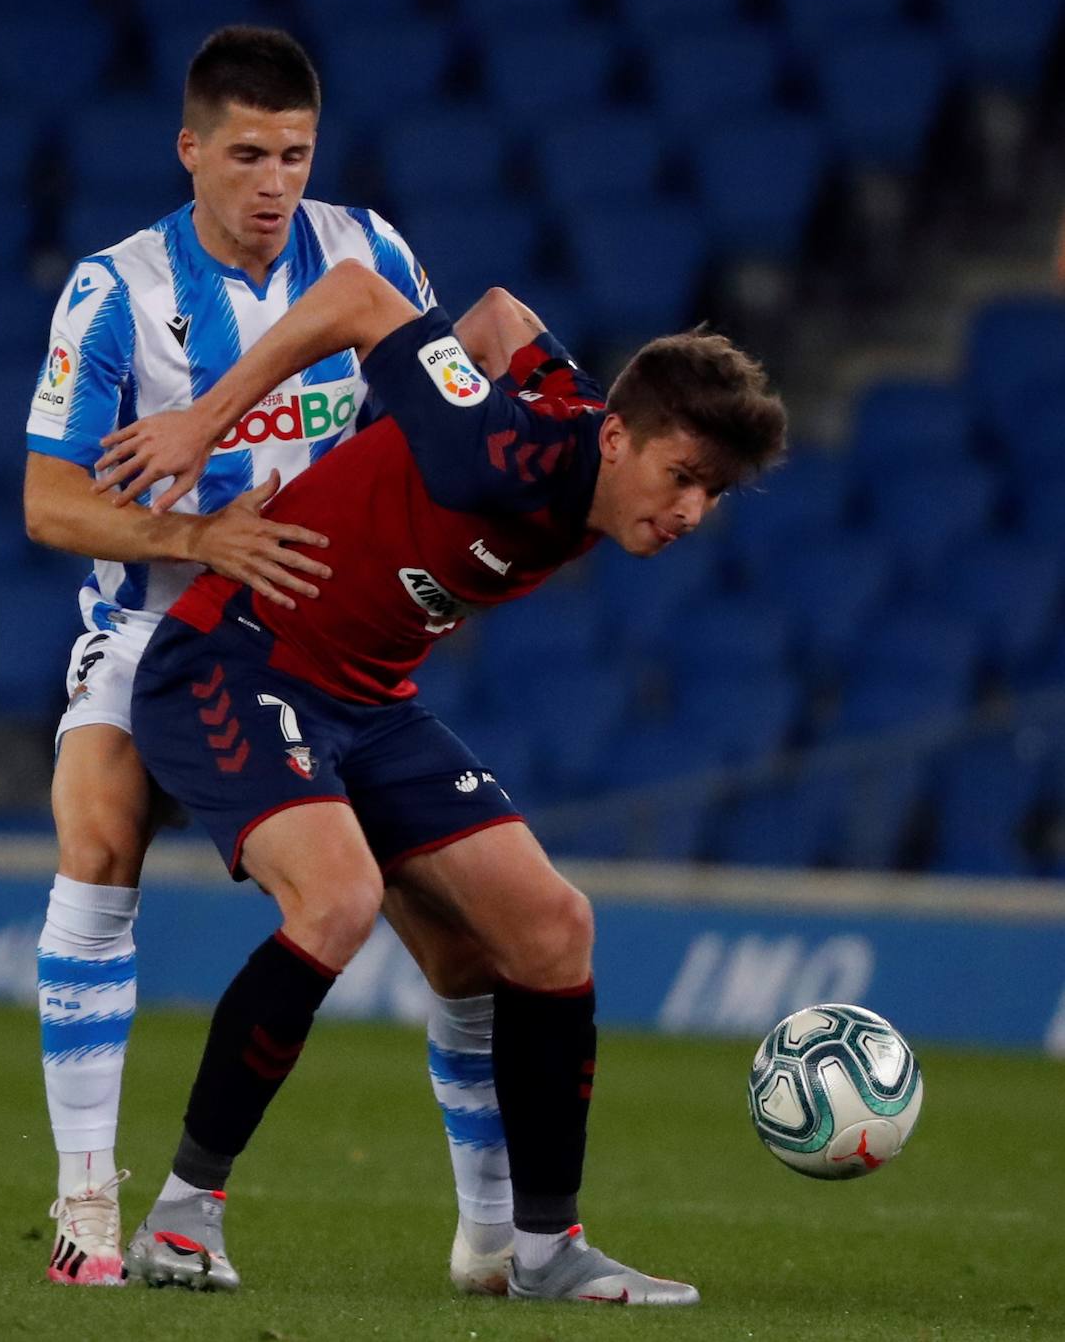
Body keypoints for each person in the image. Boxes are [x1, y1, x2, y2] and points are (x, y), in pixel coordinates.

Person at [98, 259, 788, 1302]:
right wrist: (207, 421)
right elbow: (353, 293)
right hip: (238, 662)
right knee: (338, 899)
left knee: (551, 927)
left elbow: (503, 315)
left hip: (368, 701)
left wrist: (410, 419)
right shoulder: (491, 455)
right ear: (616, 437)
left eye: (713, 492)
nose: (692, 510)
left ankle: (542, 1250)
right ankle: (180, 1217)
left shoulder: (574, 419)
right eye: (681, 476)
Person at [24, 25, 513, 1292]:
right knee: (97, 838)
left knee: (457, 935)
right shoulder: (117, 292)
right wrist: (195, 537)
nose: (274, 183)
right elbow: (48, 502)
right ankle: (86, 1198)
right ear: (189, 150)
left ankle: (495, 1235)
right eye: (247, 155)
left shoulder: (368, 254)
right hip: (154, 630)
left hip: (315, 641)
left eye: (294, 155)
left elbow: (431, 412)